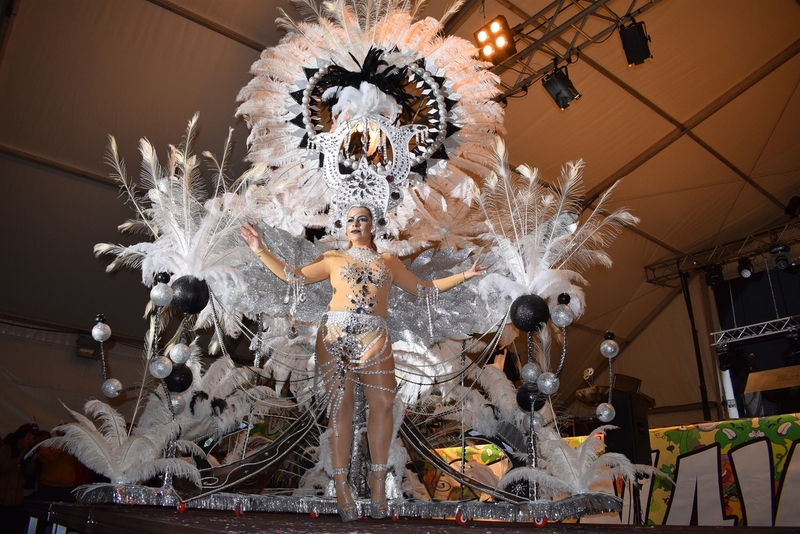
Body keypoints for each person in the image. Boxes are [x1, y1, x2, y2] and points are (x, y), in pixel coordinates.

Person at [241, 206, 487, 521]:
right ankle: (341, 482)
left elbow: (423, 290)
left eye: (363, 219)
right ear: (345, 227)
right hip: (336, 334)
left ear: (373, 226)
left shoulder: (388, 263)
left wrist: (465, 275)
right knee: (340, 408)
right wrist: (260, 250)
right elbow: (296, 277)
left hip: (375, 335)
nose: (356, 224)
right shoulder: (332, 260)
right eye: (351, 220)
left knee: (383, 401)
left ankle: (377, 479)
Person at [0, 425, 37, 533]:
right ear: (20, 439)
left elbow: (28, 473)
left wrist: (32, 460)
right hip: (3, 496)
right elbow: (5, 467)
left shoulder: (27, 454)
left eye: (32, 439)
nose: (30, 441)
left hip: (16, 498)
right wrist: (21, 455)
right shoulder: (6, 450)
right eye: (28, 438)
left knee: (14, 527)